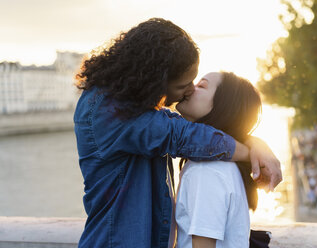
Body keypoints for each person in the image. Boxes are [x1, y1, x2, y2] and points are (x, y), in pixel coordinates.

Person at [74, 18, 281, 248]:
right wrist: (249, 151)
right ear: (157, 80)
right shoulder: (109, 109)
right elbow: (181, 135)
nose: (188, 91)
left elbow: (183, 129)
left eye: (197, 83)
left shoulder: (132, 103)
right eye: (183, 86)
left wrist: (254, 143)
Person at [173, 72, 267, 248]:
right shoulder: (223, 166)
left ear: (224, 106)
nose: (191, 88)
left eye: (202, 86)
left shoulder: (206, 171)